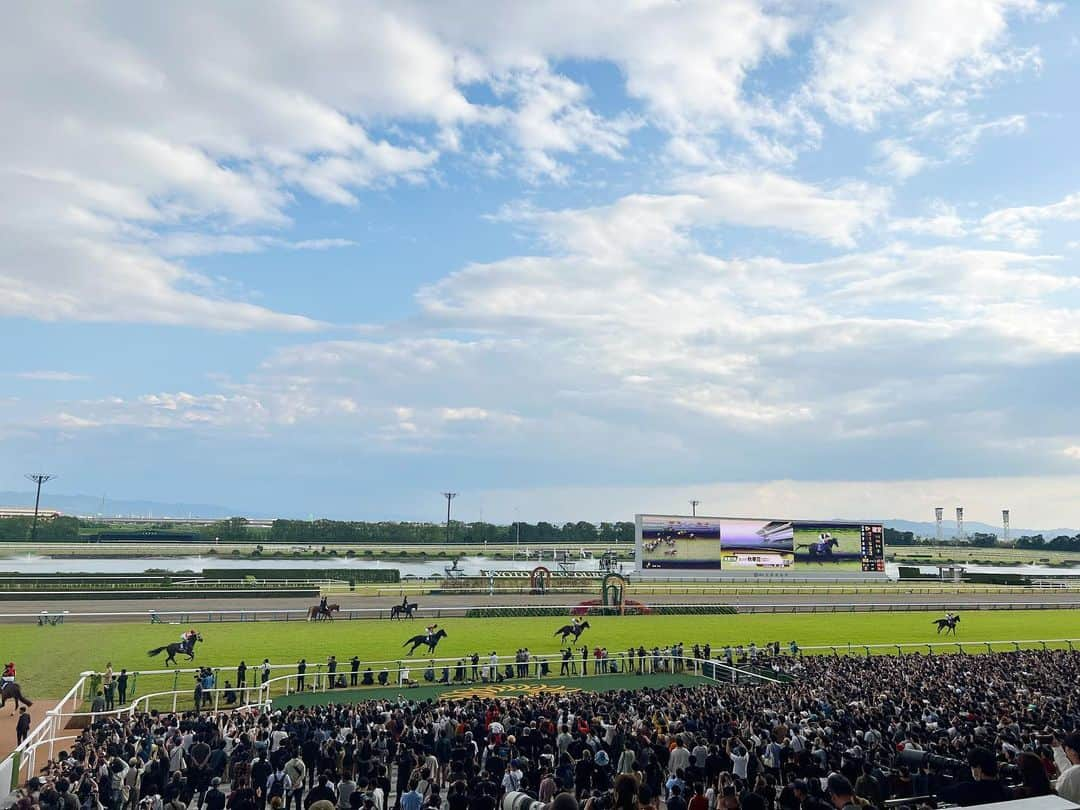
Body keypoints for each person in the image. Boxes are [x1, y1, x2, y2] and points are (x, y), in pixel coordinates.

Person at [940, 747, 1009, 806]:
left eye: (971, 767)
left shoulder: (966, 790)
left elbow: (941, 794)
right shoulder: (1006, 791)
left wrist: (930, 774)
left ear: (978, 768)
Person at [1054, 732, 1080, 804]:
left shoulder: (1069, 775)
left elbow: (1058, 799)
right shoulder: (1071, 773)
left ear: (1073, 751)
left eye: (1066, 748)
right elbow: (1067, 768)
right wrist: (1057, 748)